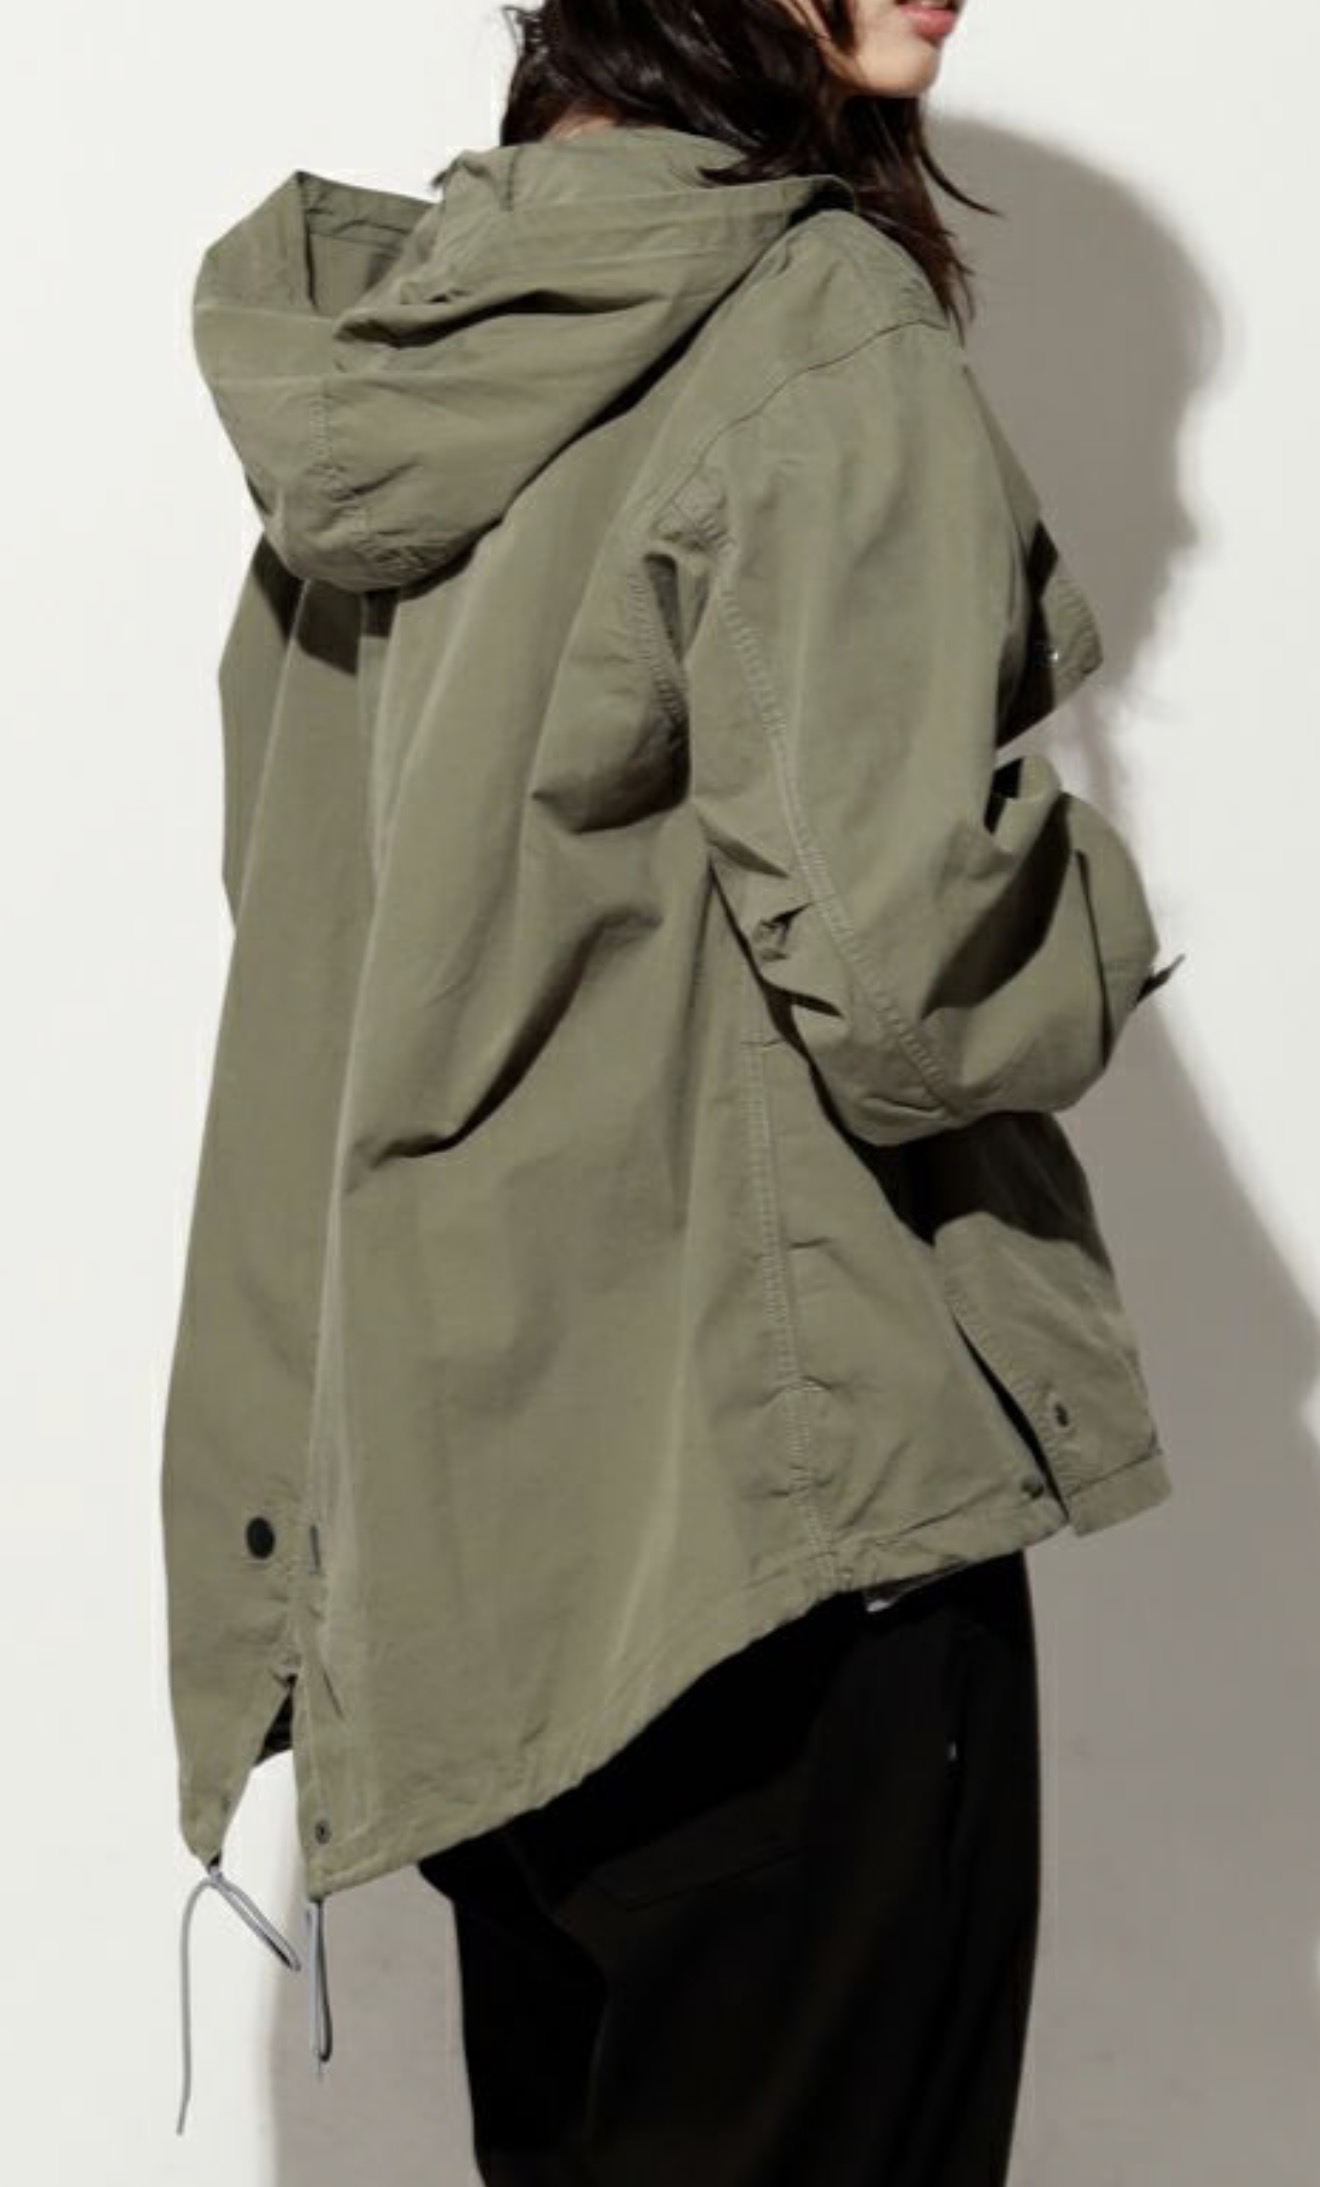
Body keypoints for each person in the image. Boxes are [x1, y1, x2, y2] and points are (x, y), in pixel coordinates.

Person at [161, 0, 1184, 2176]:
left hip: (478, 1578)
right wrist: (1096, 902)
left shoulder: (392, 350)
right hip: (776, 1548)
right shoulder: (812, 322)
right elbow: (915, 995)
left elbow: (317, 915)